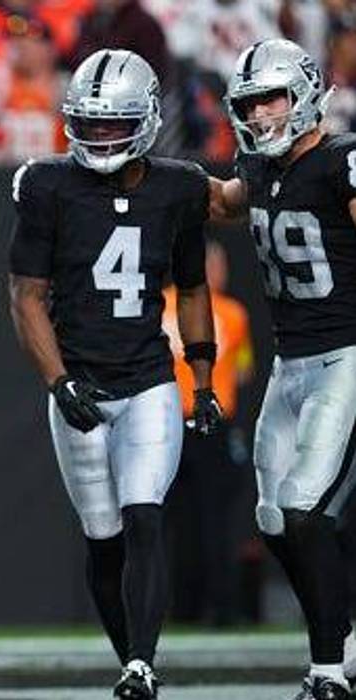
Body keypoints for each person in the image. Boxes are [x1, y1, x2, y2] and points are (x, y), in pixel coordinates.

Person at [7, 50, 221, 700]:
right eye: (89, 124)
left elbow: (190, 290)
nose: (99, 137)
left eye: (113, 125)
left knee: (144, 517)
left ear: (147, 120)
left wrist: (202, 376)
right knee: (102, 538)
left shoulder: (177, 186)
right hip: (79, 383)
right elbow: (25, 296)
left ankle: (141, 665)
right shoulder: (46, 185)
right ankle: (127, 654)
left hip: (149, 380)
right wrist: (57, 381)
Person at [207, 38, 356, 700]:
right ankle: (343, 628)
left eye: (270, 98)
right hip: (289, 363)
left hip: (344, 355)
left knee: (301, 511)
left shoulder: (341, 161)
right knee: (274, 519)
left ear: (303, 92)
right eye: (249, 103)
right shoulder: (260, 167)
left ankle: (327, 667)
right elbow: (225, 202)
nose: (261, 114)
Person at [162, 241, 254, 628]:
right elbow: (245, 369)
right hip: (210, 420)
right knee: (215, 519)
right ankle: (222, 607)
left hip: (167, 421)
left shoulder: (160, 304)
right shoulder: (230, 313)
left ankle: (182, 607)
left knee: (173, 520)